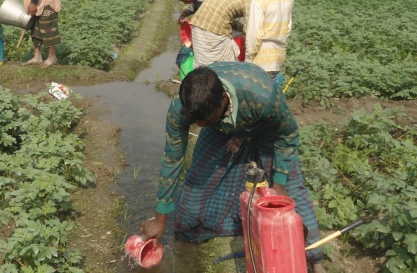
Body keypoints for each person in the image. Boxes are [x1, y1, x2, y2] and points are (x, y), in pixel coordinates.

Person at [139, 63, 325, 273]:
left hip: (266, 126)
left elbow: (287, 134)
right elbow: (172, 159)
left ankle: (314, 258)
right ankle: (212, 231)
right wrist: (160, 217)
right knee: (194, 190)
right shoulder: (183, 108)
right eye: (196, 120)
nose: (199, 126)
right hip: (219, 127)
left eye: (205, 119)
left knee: (288, 194)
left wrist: (279, 184)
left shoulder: (263, 96)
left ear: (224, 100)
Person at [245, 0, 294, 79]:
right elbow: (287, 28)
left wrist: (248, 59)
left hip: (261, 60)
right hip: (278, 57)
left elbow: (254, 34)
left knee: (257, 97)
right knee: (271, 95)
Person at [187, 0, 252, 66]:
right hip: (213, 33)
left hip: (197, 26)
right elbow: (250, 33)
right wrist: (249, 62)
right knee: (224, 65)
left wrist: (242, 28)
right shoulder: (249, 0)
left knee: (203, 64)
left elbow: (225, 18)